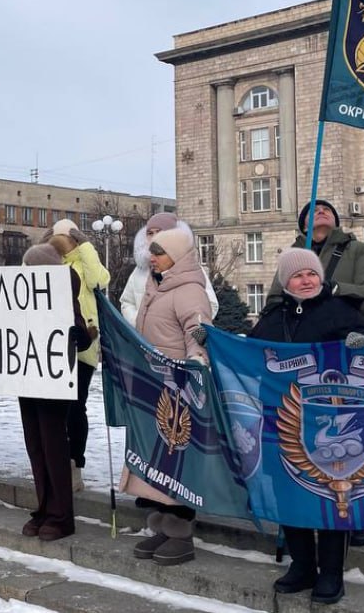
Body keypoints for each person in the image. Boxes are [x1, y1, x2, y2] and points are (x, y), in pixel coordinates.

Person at [250, 247, 364, 605]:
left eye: (311, 274)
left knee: (332, 496)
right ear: (285, 282)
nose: (306, 280)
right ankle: (302, 565)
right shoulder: (273, 316)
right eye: (297, 275)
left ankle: (331, 572)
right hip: (282, 419)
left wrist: (363, 342)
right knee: (288, 491)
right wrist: (212, 342)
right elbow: (249, 355)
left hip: (332, 422)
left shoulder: (341, 310)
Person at [267, 198, 364, 548]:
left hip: (347, 357)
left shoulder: (357, 251)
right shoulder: (293, 255)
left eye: (326, 209)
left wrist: (334, 290)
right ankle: (303, 511)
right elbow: (273, 302)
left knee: (355, 438)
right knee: (303, 436)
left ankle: (360, 513)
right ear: (302, 224)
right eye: (312, 210)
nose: (320, 211)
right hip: (300, 361)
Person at [128, 227, 213, 566]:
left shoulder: (189, 290)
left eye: (159, 252)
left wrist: (195, 364)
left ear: (176, 255)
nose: (152, 257)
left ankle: (180, 533)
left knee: (178, 462)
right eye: (151, 251)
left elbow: (198, 332)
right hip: (155, 386)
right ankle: (162, 527)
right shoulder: (157, 286)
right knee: (160, 462)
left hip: (179, 391)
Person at [18, 243, 92, 541]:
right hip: (26, 378)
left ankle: (61, 515)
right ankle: (44, 507)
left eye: (32, 267)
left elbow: (80, 330)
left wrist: (78, 335)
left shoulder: (63, 290)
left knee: (53, 447)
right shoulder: (22, 294)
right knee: (35, 447)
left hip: (52, 380)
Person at [48, 218, 109, 491]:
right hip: (52, 347)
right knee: (55, 410)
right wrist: (43, 245)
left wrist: (86, 245)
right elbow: (28, 275)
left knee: (76, 406)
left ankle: (75, 465)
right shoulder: (52, 263)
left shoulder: (83, 264)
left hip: (83, 344)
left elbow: (99, 280)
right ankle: (57, 462)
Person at [120, 212, 219, 328]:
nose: (154, 237)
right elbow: (127, 302)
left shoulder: (191, 269)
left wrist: (181, 327)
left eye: (160, 232)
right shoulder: (140, 270)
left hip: (178, 338)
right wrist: (140, 322)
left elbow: (210, 305)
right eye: (150, 233)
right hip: (143, 338)